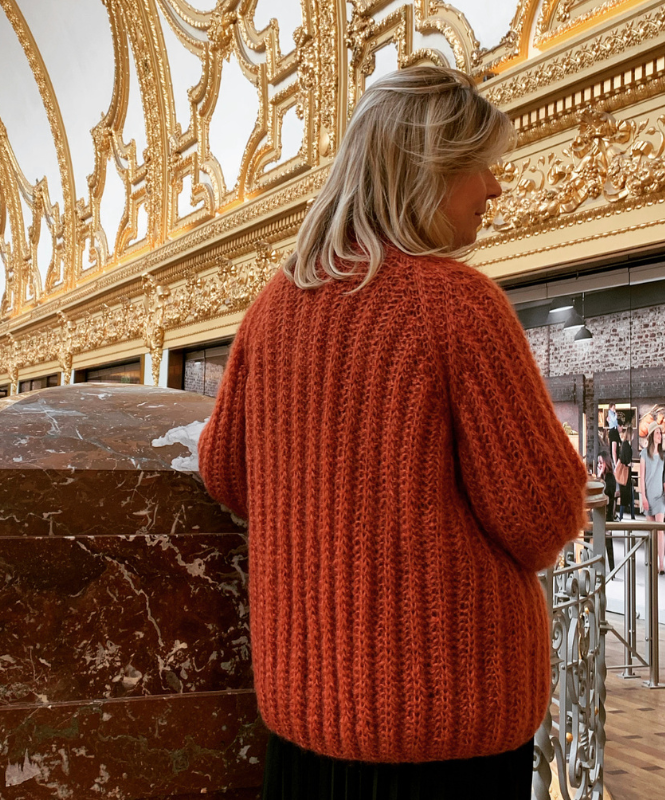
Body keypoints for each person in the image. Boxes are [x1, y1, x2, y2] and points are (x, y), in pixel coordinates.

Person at [198, 66, 586, 800]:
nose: (496, 187)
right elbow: (541, 516)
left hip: (304, 713)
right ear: (427, 169)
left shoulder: (270, 309)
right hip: (448, 726)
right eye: (481, 166)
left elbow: (223, 470)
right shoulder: (457, 305)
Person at [639, 425, 665, 575]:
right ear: (651, 436)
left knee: (660, 530)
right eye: (657, 433)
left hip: (660, 497)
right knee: (651, 532)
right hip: (648, 497)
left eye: (660, 433)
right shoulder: (644, 454)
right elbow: (642, 477)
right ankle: (652, 559)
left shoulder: (663, 455)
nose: (660, 435)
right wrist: (643, 497)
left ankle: (661, 563)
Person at [597, 451, 616, 571]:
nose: (599, 465)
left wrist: (599, 477)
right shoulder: (603, 477)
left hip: (607, 517)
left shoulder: (610, 478)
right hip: (600, 515)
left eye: (601, 463)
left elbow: (603, 493)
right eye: (598, 463)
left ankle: (611, 568)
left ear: (606, 463)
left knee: (608, 544)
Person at [618, 426, 635, 521]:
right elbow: (626, 460)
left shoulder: (624, 444)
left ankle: (628, 515)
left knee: (627, 495)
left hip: (626, 473)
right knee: (627, 495)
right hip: (626, 473)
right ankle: (628, 515)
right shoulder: (627, 445)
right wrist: (630, 464)